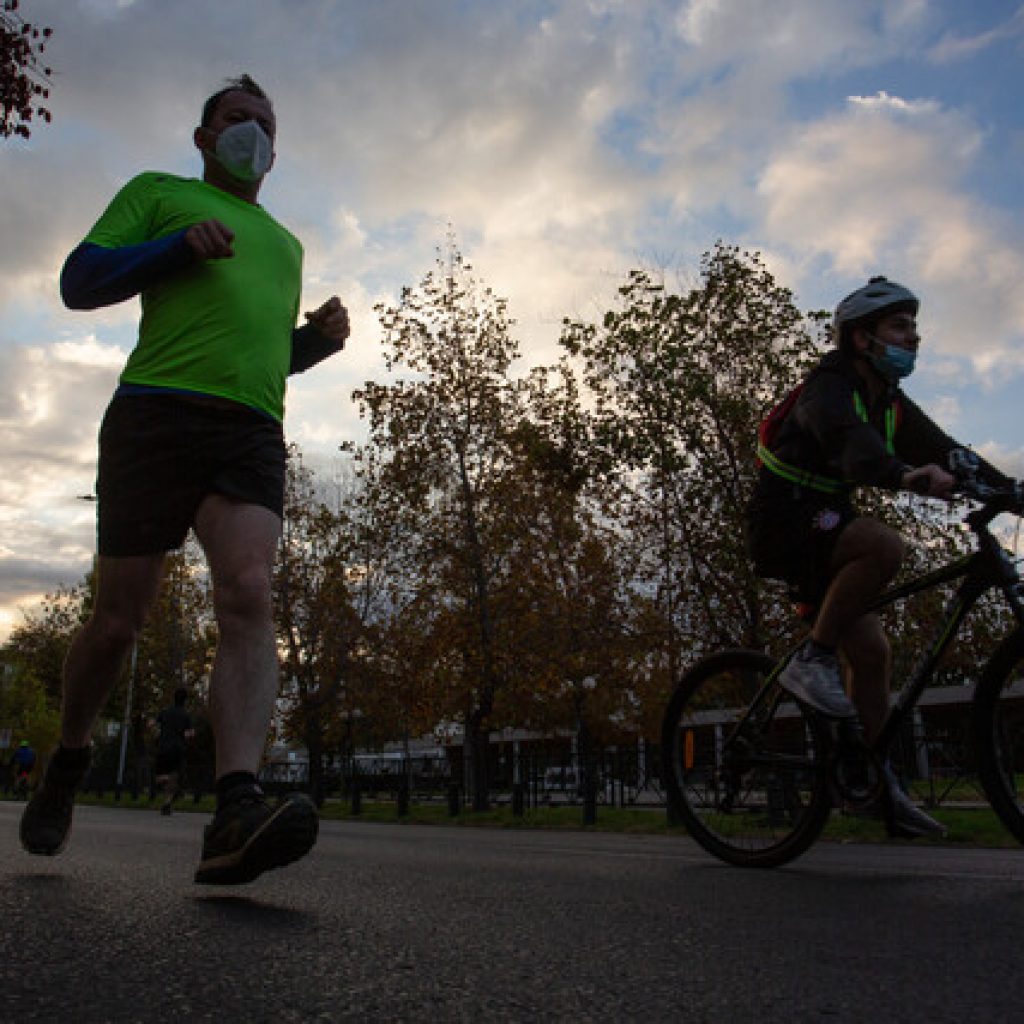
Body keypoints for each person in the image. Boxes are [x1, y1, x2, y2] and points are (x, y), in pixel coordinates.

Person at [20, 74, 349, 884]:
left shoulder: (286, 244)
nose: (253, 135)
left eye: (266, 124)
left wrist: (313, 347)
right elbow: (77, 283)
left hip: (249, 431)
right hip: (154, 417)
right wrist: (174, 245)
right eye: (238, 119)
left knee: (249, 589)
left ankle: (236, 804)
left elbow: (261, 352)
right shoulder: (158, 193)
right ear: (204, 139)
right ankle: (67, 758)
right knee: (118, 624)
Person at [746, 276, 1013, 837]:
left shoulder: (890, 403)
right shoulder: (830, 385)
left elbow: (947, 450)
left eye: (914, 327)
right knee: (883, 544)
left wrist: (1010, 492)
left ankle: (873, 786)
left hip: (826, 526)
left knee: (872, 653)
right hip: (786, 521)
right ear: (861, 338)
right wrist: (901, 473)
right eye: (899, 326)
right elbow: (847, 439)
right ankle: (812, 661)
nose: (913, 338)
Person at [152, 687, 195, 816]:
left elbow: (152, 723)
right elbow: (190, 733)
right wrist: (185, 734)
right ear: (185, 700)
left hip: (163, 746)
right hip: (178, 748)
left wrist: (158, 732)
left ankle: (165, 796)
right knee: (174, 776)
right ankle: (168, 801)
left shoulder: (165, 712)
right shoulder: (186, 715)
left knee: (160, 775)